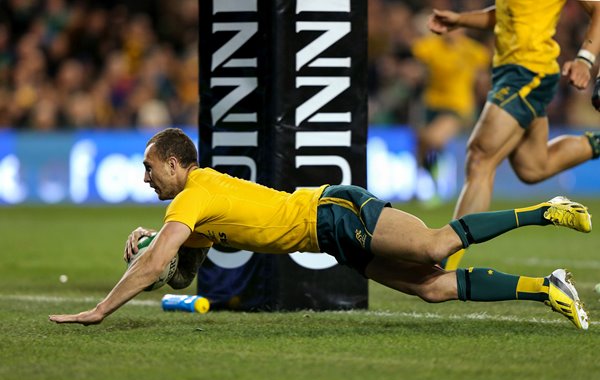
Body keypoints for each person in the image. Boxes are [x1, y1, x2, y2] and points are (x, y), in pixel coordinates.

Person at [49, 128, 592, 329]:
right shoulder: (192, 212)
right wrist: (154, 249)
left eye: (149, 168)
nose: (144, 179)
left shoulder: (195, 196)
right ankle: (547, 287)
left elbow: (153, 267)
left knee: (434, 245)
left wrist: (101, 308)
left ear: (173, 163)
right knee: (430, 287)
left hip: (334, 212)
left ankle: (546, 209)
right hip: (330, 237)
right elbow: (179, 278)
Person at [428, 1, 600, 270]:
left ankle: (446, 256)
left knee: (480, 158)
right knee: (533, 166)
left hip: (528, 72)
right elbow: (508, 13)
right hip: (509, 71)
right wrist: (461, 20)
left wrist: (585, 59)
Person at [411, 28, 490, 189]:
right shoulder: (432, 46)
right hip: (431, 103)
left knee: (434, 138)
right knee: (422, 142)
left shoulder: (472, 50)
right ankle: (422, 179)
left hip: (458, 106)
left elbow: (483, 71)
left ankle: (438, 173)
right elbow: (416, 54)